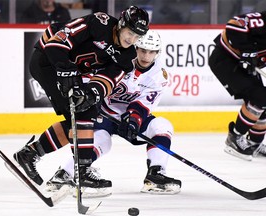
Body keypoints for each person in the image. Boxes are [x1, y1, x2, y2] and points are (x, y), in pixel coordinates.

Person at [13, 5, 149, 188]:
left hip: (72, 71)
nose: (131, 39)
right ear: (121, 24)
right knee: (82, 115)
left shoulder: (128, 55)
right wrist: (66, 71)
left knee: (83, 112)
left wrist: (92, 93)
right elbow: (57, 42)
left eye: (136, 36)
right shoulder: (100, 23)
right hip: (47, 60)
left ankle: (30, 153)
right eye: (129, 32)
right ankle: (82, 171)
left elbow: (108, 80)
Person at [45, 30, 182, 196]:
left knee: (162, 125)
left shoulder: (160, 75)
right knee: (103, 140)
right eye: (143, 50)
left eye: (151, 52)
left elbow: (144, 104)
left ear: (157, 53)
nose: (146, 56)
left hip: (131, 119)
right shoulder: (120, 61)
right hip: (103, 114)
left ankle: (155, 174)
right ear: (136, 48)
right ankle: (65, 174)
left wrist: (133, 120)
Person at [208, 11, 266, 161]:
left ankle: (254, 144)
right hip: (226, 60)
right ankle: (234, 137)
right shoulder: (262, 21)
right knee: (260, 98)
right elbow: (234, 24)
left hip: (245, 66)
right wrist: (248, 51)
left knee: (264, 100)